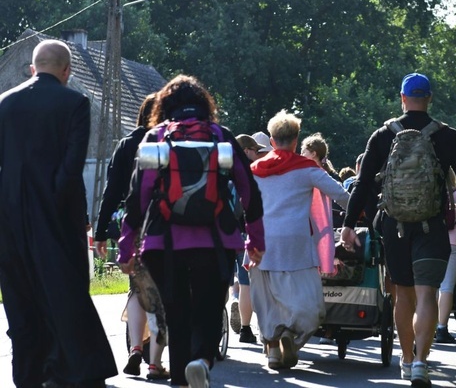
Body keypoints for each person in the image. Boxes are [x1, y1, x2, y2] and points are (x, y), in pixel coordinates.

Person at [118, 75, 265, 388]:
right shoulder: (220, 136)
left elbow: (137, 198)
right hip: (216, 241)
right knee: (210, 308)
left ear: (165, 106)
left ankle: (181, 378)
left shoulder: (156, 137)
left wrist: (126, 249)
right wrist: (255, 240)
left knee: (176, 314)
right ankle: (202, 360)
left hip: (162, 244)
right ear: (204, 105)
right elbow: (249, 190)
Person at [341, 73, 456, 388]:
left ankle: (405, 359)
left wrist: (349, 225)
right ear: (429, 98)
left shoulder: (382, 135)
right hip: (432, 227)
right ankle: (420, 363)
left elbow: (363, 185)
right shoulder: (448, 136)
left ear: (402, 98)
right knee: (427, 293)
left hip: (395, 226)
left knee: (403, 295)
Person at [0, 39, 117, 387]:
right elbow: (70, 168)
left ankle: (27, 373)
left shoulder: (4, 103)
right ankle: (69, 368)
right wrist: (66, 214)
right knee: (65, 294)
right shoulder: (75, 102)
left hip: (8, 217)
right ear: (67, 71)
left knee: (20, 297)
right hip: (54, 213)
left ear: (32, 68)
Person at [250, 110, 350, 370]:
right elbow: (340, 195)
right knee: (310, 304)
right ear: (296, 141)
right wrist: (360, 210)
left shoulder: (254, 171)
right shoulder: (307, 169)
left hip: (262, 243)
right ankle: (291, 338)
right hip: (296, 245)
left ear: (272, 141)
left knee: (267, 299)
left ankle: (273, 351)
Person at [94, 92, 170, 379]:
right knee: (164, 290)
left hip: (132, 228)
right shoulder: (168, 141)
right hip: (165, 226)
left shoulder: (127, 144)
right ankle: (155, 362)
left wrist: (101, 232)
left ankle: (135, 348)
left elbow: (111, 192)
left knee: (137, 288)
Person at [227, 133, 266, 344]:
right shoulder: (249, 174)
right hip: (245, 236)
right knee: (247, 284)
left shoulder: (222, 171)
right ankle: (245, 329)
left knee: (224, 281)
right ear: (246, 151)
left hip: (224, 234)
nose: (256, 155)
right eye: (253, 151)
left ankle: (219, 322)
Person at [435, 169, 456, 343]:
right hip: (455, 244)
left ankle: (428, 325)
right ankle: (442, 328)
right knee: (447, 286)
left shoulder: (434, 194)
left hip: (435, 243)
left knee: (431, 286)